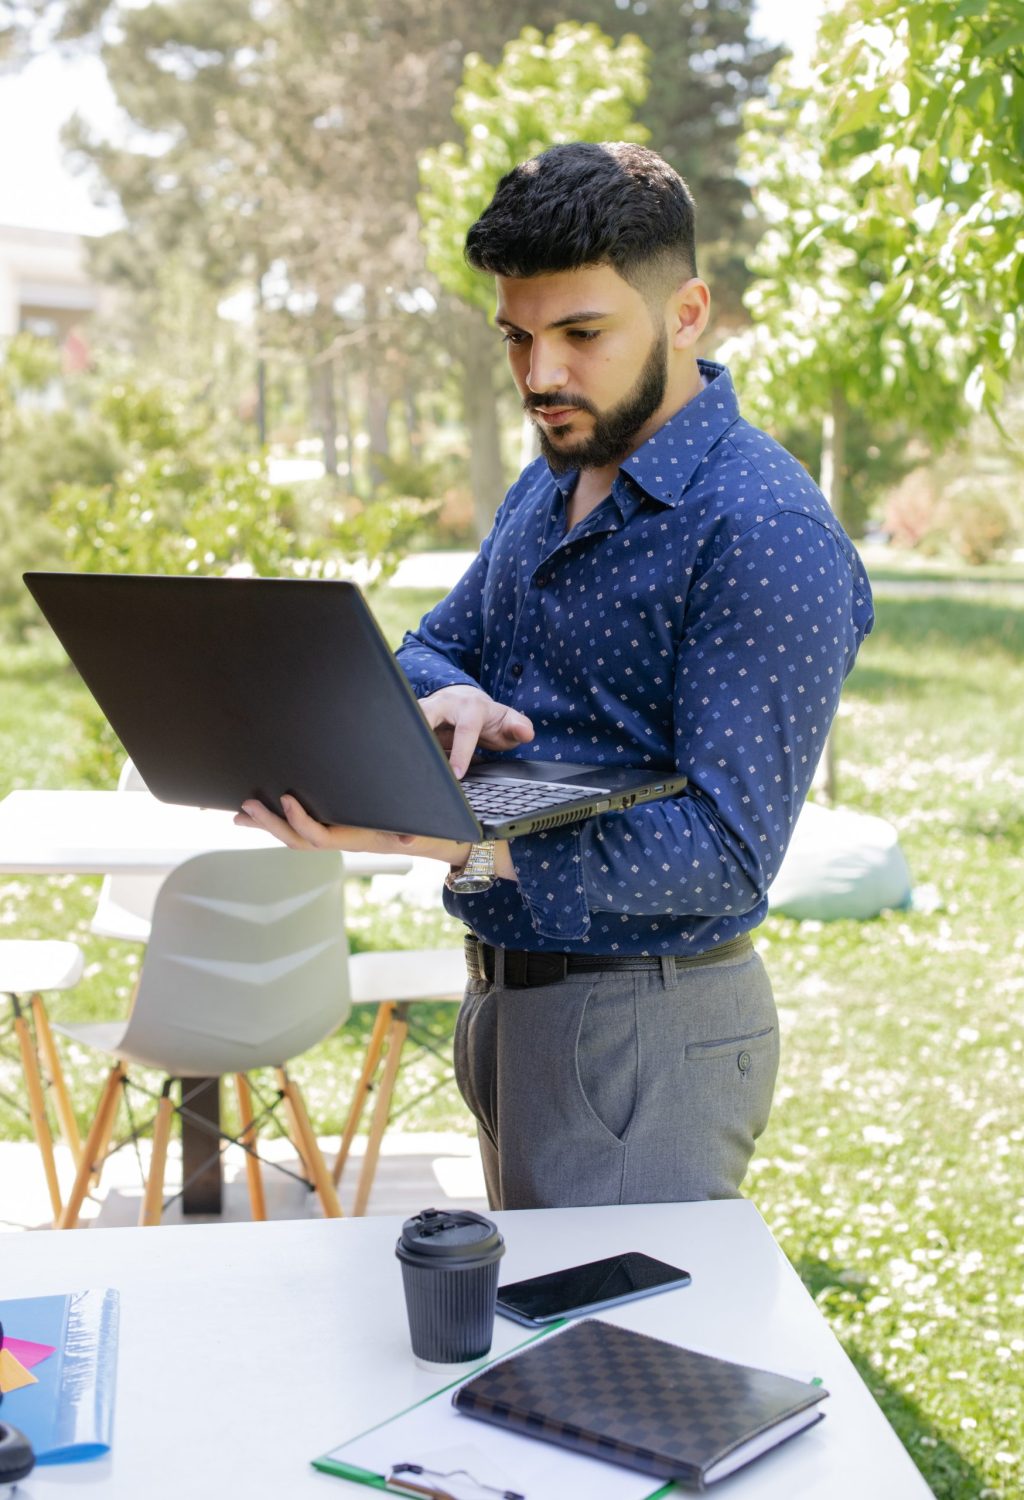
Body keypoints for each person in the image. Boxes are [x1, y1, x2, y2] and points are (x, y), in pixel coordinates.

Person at [238, 141, 874, 1211]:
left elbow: (725, 855)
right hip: (508, 1003)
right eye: (519, 337)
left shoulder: (762, 529)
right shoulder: (552, 482)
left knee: (610, 1369)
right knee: (542, 1360)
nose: (541, 375)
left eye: (582, 334)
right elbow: (437, 643)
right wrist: (446, 695)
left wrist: (463, 841)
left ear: (686, 313)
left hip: (643, 1034)